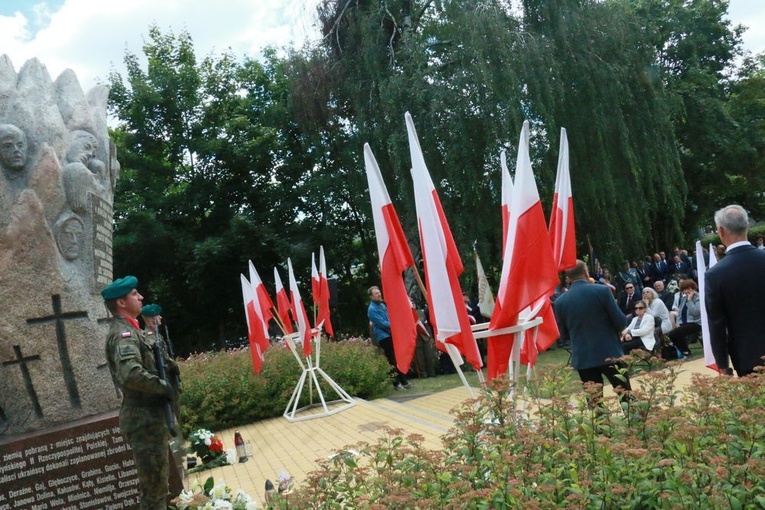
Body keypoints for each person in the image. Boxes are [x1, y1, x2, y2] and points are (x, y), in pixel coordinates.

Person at [102, 276, 179, 509]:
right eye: (135, 294)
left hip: (149, 418)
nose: (141, 297)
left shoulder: (132, 331)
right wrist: (164, 387)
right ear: (121, 303)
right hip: (144, 421)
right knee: (154, 490)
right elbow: (131, 373)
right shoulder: (123, 333)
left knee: (158, 486)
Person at [553, 260, 631, 407]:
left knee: (595, 403)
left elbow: (563, 335)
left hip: (583, 356)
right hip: (609, 352)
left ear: (568, 278)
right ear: (586, 273)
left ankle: (600, 430)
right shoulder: (602, 291)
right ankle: (634, 425)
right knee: (625, 395)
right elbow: (620, 321)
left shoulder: (560, 302)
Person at [705, 205, 765, 376]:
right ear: (747, 226)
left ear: (721, 231)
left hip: (747, 357)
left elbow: (716, 324)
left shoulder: (715, 275)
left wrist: (722, 364)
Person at [367, 286, 411, 390]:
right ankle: (396, 384)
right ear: (371, 296)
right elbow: (382, 323)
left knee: (397, 358)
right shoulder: (372, 309)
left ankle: (404, 382)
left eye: (379, 292)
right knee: (391, 360)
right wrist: (395, 324)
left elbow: (389, 316)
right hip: (384, 337)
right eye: (376, 293)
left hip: (391, 334)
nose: (379, 294)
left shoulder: (382, 305)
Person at [666, 279, 701, 357]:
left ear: (693, 288)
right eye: (684, 289)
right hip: (684, 323)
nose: (686, 291)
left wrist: (689, 301)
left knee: (677, 332)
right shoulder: (684, 298)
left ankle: (686, 352)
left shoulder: (698, 297)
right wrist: (678, 323)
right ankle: (685, 352)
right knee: (672, 334)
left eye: (688, 289)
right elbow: (680, 312)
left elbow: (696, 312)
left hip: (696, 322)